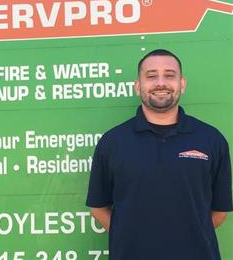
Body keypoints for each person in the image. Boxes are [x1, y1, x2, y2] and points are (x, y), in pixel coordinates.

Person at [86, 49, 233, 260]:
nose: (161, 83)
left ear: (182, 83)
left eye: (169, 75)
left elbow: (220, 212)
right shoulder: (112, 143)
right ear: (138, 86)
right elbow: (99, 208)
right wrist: (132, 238)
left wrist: (186, 239)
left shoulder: (211, 139)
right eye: (151, 76)